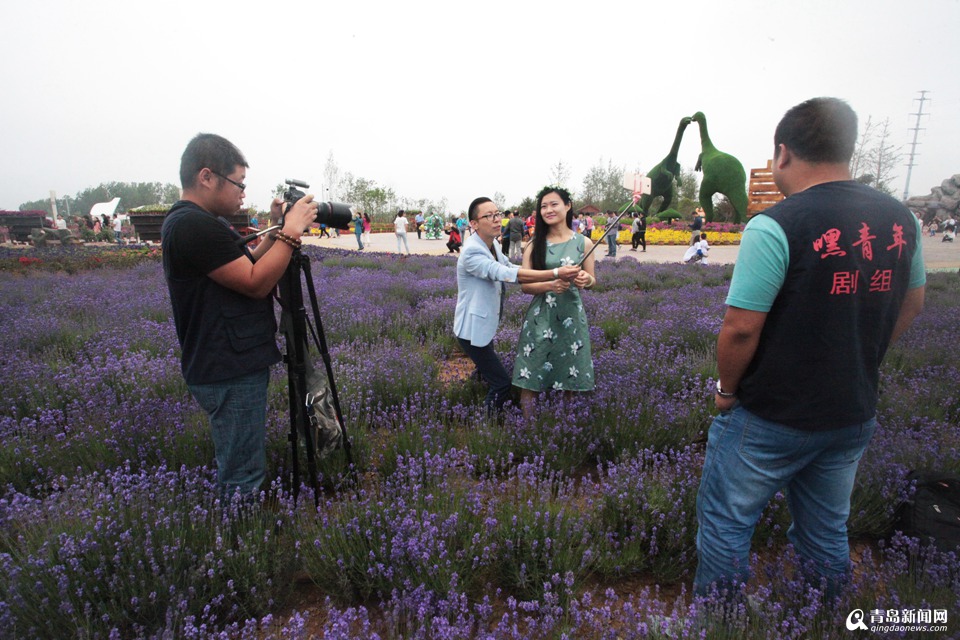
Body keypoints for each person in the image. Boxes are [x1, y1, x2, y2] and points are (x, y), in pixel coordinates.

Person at [694, 98, 926, 600]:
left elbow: (739, 329)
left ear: (782, 153)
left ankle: (720, 622)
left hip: (771, 415)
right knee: (825, 529)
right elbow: (913, 300)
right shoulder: (902, 220)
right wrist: (864, 352)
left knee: (726, 523)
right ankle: (824, 615)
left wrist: (726, 390)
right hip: (850, 413)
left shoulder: (777, 224)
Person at [160, 133, 318, 496]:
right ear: (206, 177)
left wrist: (278, 229)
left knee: (240, 461)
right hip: (227, 365)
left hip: (225, 360)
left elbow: (242, 262)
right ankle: (241, 540)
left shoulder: (197, 221)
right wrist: (292, 233)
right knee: (243, 474)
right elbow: (254, 282)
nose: (243, 193)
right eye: (238, 184)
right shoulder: (193, 225)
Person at [454, 196, 581, 414]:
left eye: (497, 214)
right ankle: (486, 424)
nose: (496, 220)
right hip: (471, 329)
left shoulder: (491, 243)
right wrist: (555, 272)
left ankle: (468, 402)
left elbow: (509, 265)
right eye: (489, 216)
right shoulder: (471, 252)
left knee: (485, 372)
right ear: (474, 224)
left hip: (483, 324)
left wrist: (548, 280)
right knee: (501, 383)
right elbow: (503, 273)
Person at [512, 186, 596, 420]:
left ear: (568, 206)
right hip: (541, 316)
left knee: (569, 370)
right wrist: (551, 284)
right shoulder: (534, 244)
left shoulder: (584, 243)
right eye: (543, 206)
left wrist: (584, 279)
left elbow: (592, 280)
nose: (548, 210)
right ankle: (529, 430)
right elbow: (525, 284)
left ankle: (565, 428)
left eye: (553, 204)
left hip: (571, 316)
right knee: (532, 370)